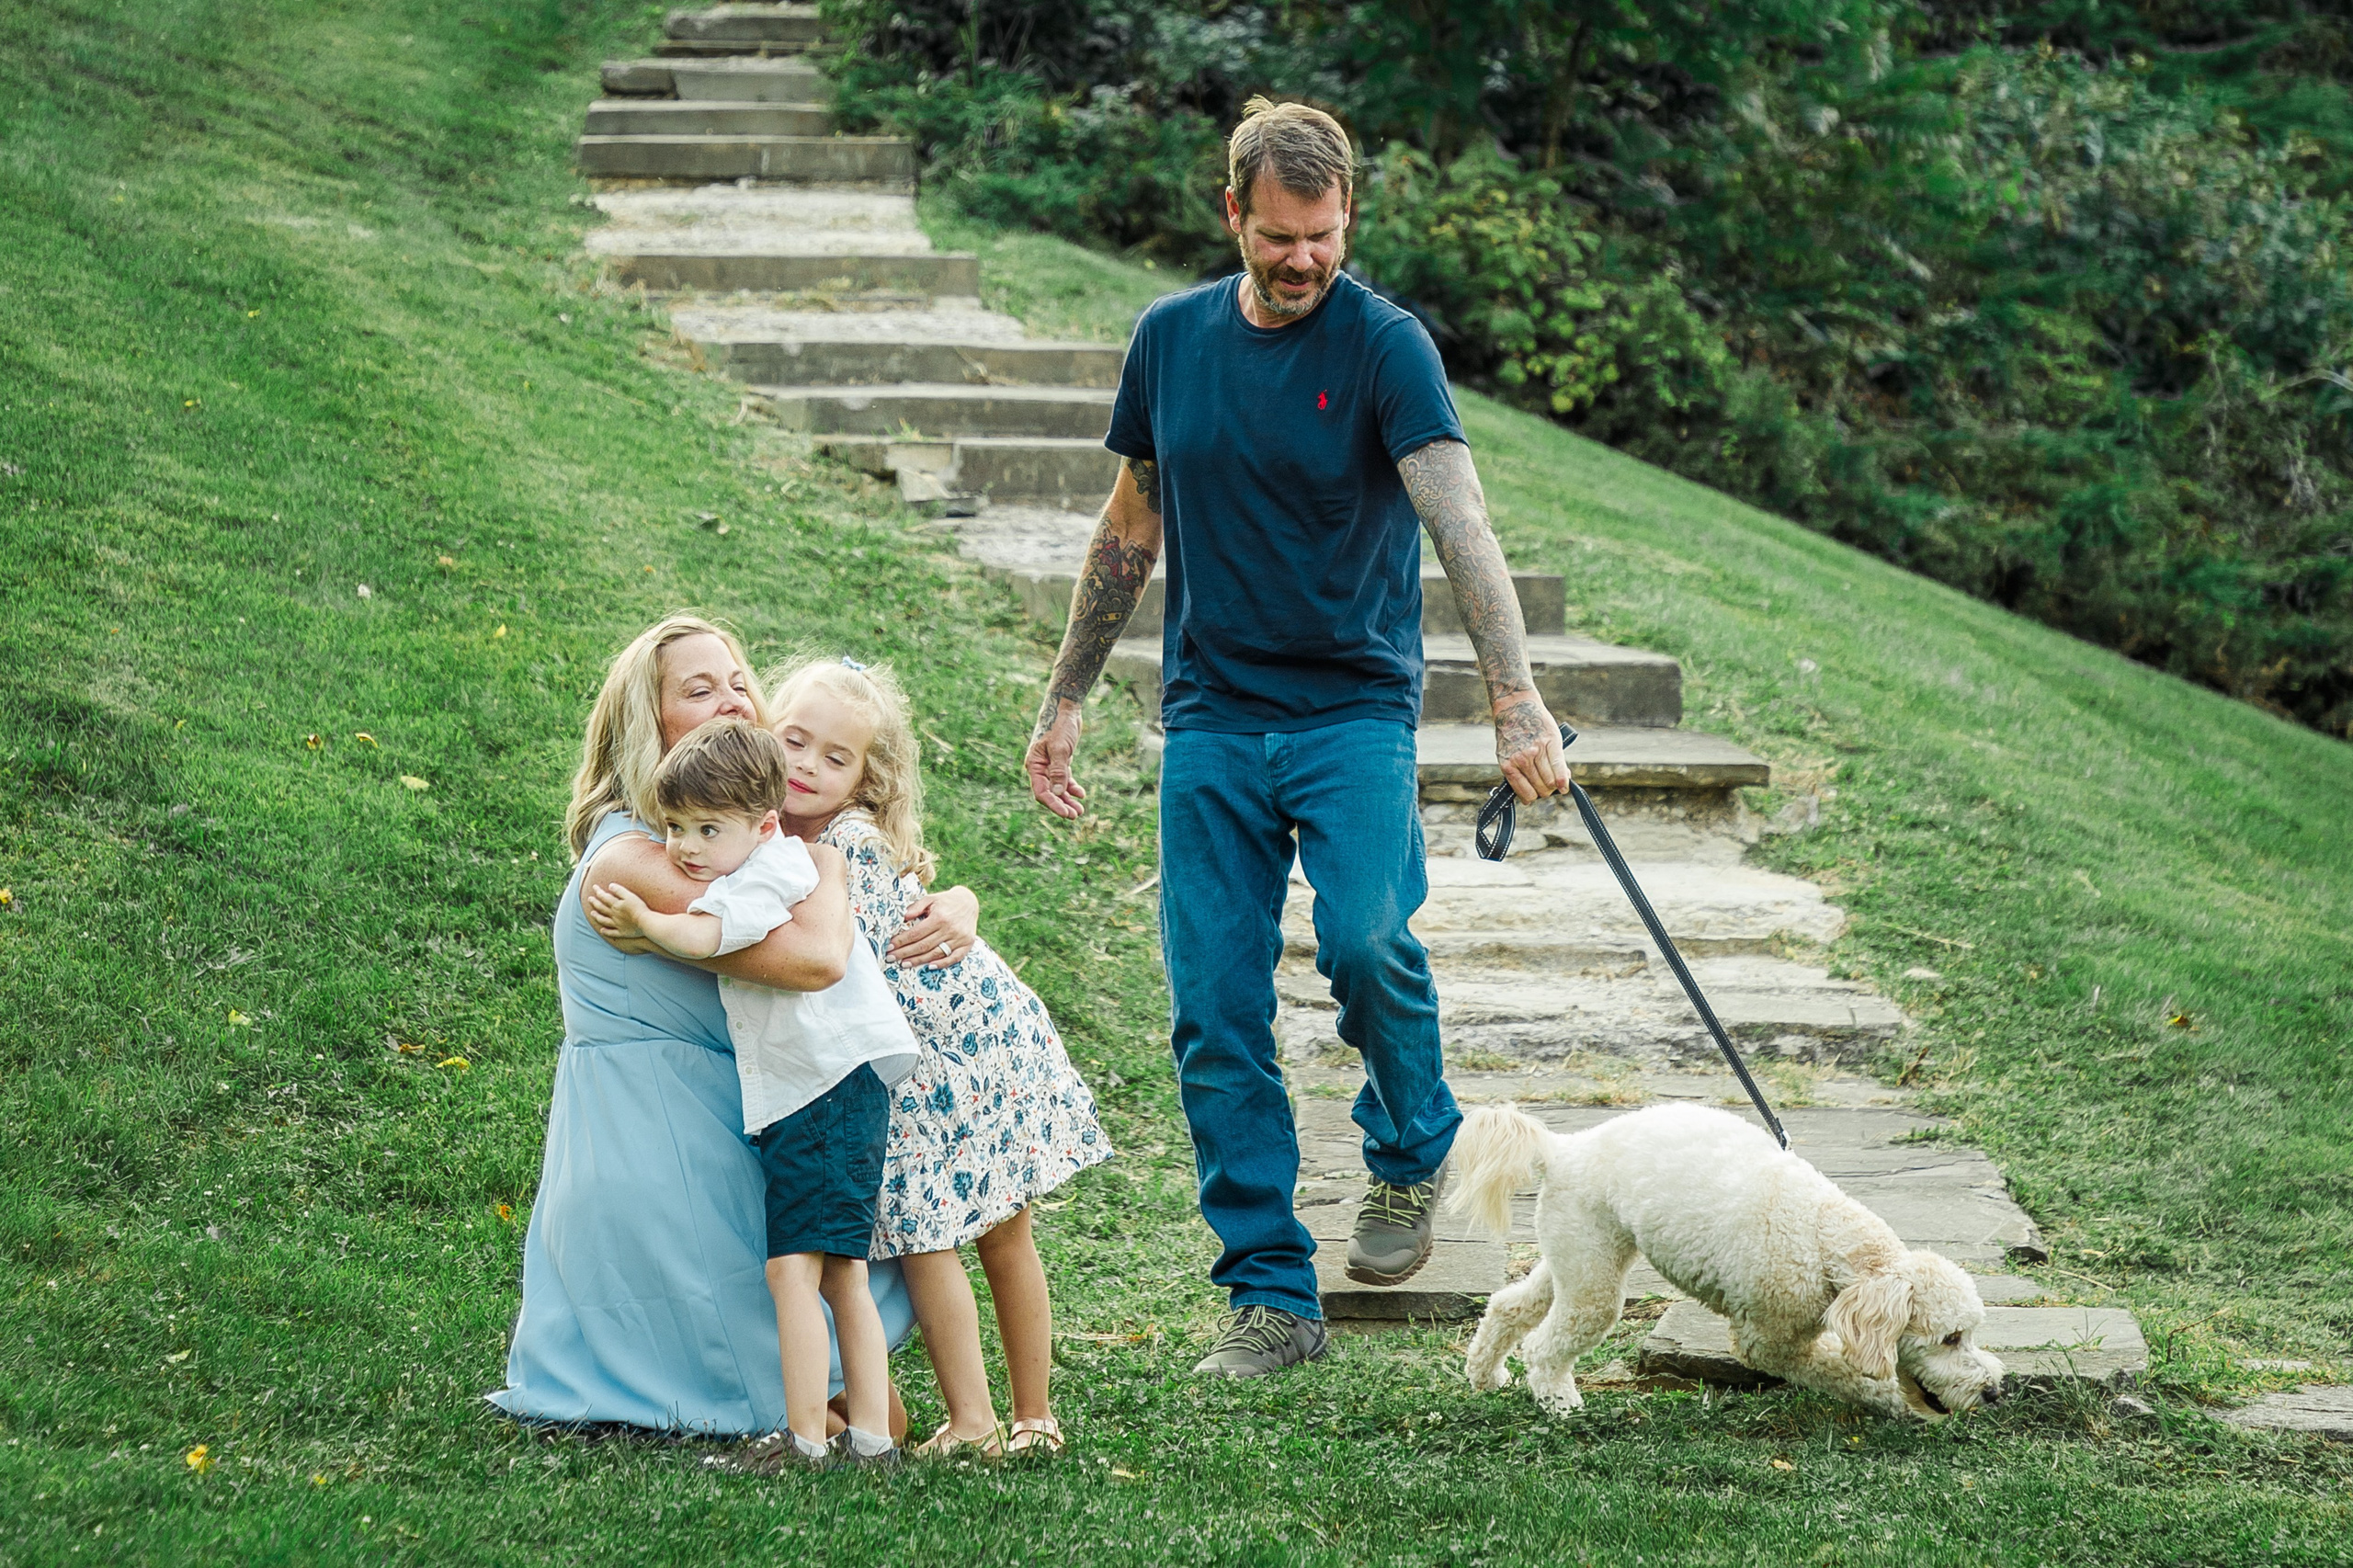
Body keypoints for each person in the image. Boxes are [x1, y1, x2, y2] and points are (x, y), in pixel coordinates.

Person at [1023, 98, 1570, 1378]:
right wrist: (1068, 696)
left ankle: (1406, 1148)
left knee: (1370, 940)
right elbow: (1127, 529)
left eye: (1323, 235)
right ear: (1234, 215)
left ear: (1346, 221)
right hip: (1213, 711)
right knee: (1215, 1009)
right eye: (1279, 236)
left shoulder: (1386, 347)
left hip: (1350, 706)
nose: (1303, 259)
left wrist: (1516, 696)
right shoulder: (1170, 342)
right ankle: (1272, 1294)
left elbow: (1462, 525)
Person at [487, 614, 982, 1437]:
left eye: (738, 680)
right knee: (848, 1401)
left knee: (854, 1379)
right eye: (698, 688)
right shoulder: (635, 858)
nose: (730, 698)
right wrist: (826, 871)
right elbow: (817, 957)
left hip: (731, 1120)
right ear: (650, 723)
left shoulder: (731, 839)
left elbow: (891, 865)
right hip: (660, 1147)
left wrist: (959, 900)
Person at [772, 655, 1110, 1457]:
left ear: (863, 778)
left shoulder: (838, 845)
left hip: (942, 1046)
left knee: (948, 1235)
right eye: (794, 741)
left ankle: (989, 1421)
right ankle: (1025, 1418)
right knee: (991, 1230)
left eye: (836, 757)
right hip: (964, 1034)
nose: (808, 766)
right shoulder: (816, 838)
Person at [585, 717, 918, 1467]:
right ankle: (868, 1438)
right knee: (839, 1274)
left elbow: (708, 939)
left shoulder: (770, 870)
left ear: (764, 824)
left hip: (827, 1086)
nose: (686, 848)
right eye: (675, 828)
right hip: (838, 1084)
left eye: (707, 830)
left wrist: (646, 924)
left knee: (795, 1272)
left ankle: (805, 1441)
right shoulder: (771, 861)